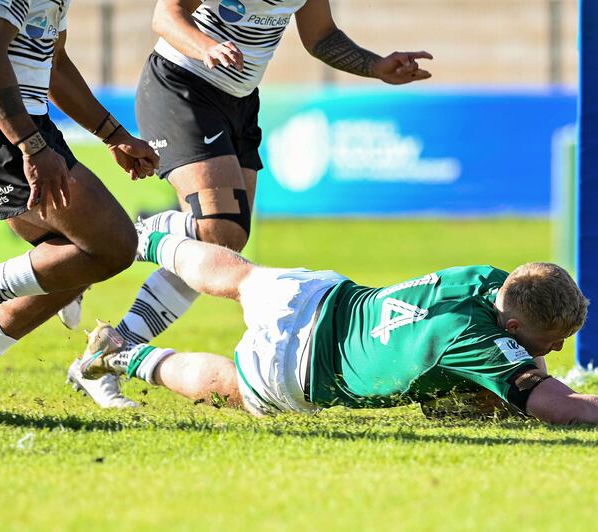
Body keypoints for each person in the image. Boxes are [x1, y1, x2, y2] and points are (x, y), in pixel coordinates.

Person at [98, 0, 433, 405]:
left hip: (239, 98)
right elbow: (166, 15)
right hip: (182, 84)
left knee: (222, 244)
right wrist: (205, 46)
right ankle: (109, 239)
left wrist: (376, 66)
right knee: (217, 228)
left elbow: (321, 37)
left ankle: (114, 345)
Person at [76, 226, 598, 426]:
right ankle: (121, 351)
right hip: (305, 369)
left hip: (323, 298)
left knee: (241, 274)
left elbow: (518, 344)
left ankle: (138, 236)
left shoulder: (487, 280)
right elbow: (560, 405)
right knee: (226, 383)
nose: (556, 349)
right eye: (552, 338)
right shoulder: (482, 343)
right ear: (518, 321)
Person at [0, 0, 159, 411]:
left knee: (73, 262)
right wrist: (30, 144)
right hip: (2, 125)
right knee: (112, 245)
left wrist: (113, 133)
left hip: (28, 122)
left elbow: (56, 66)